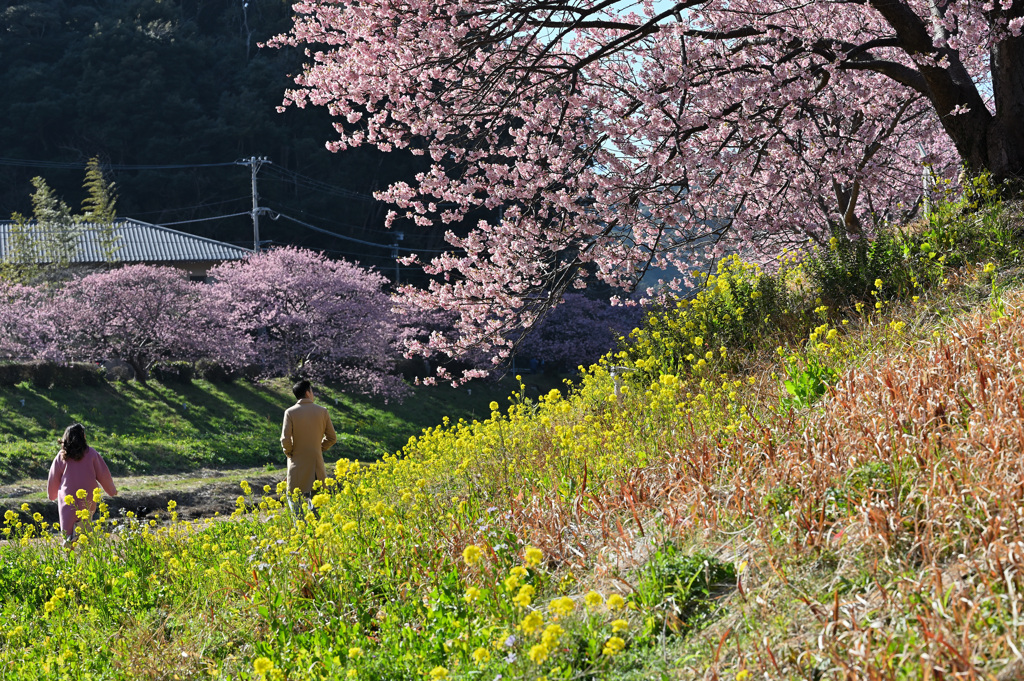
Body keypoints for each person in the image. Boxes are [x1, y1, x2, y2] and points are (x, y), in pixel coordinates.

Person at [46, 423, 118, 545]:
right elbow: (103, 474)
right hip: (87, 498)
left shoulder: (62, 456)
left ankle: (70, 556)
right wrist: (112, 491)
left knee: (67, 535)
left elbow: (53, 477)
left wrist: (51, 495)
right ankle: (86, 555)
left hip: (67, 501)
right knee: (85, 530)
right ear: (83, 436)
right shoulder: (91, 454)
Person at [280, 380, 337, 516]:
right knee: (317, 498)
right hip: (316, 462)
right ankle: (315, 528)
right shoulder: (322, 411)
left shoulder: (290, 412)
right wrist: (319, 448)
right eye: (312, 391)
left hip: (296, 462)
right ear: (307, 392)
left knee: (293, 497)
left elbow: (285, 439)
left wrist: (290, 453)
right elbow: (332, 438)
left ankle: (300, 528)